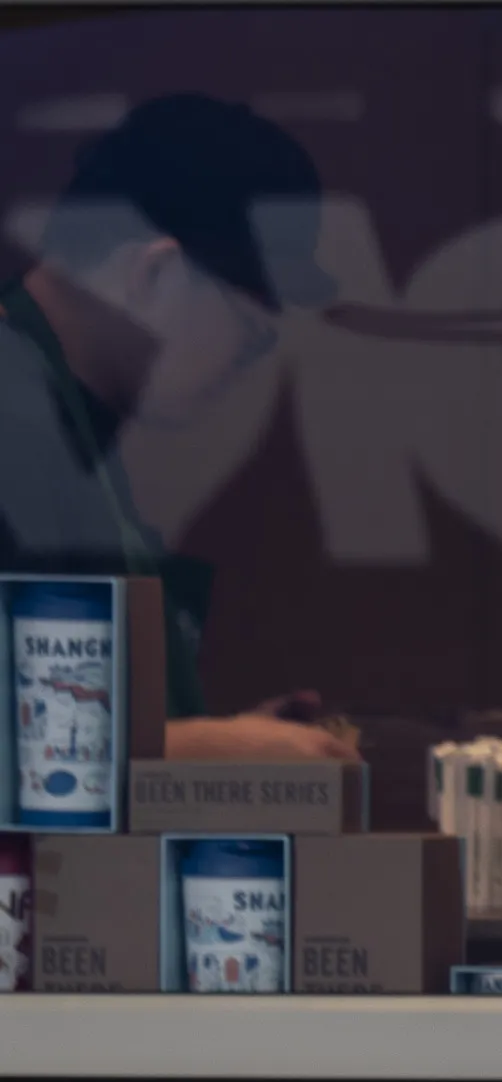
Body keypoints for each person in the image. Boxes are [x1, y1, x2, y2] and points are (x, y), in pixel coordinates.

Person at [0, 94, 355, 763]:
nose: (244, 366)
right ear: (154, 272)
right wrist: (192, 749)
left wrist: (217, 743)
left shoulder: (68, 424)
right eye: (249, 337)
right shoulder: (14, 418)